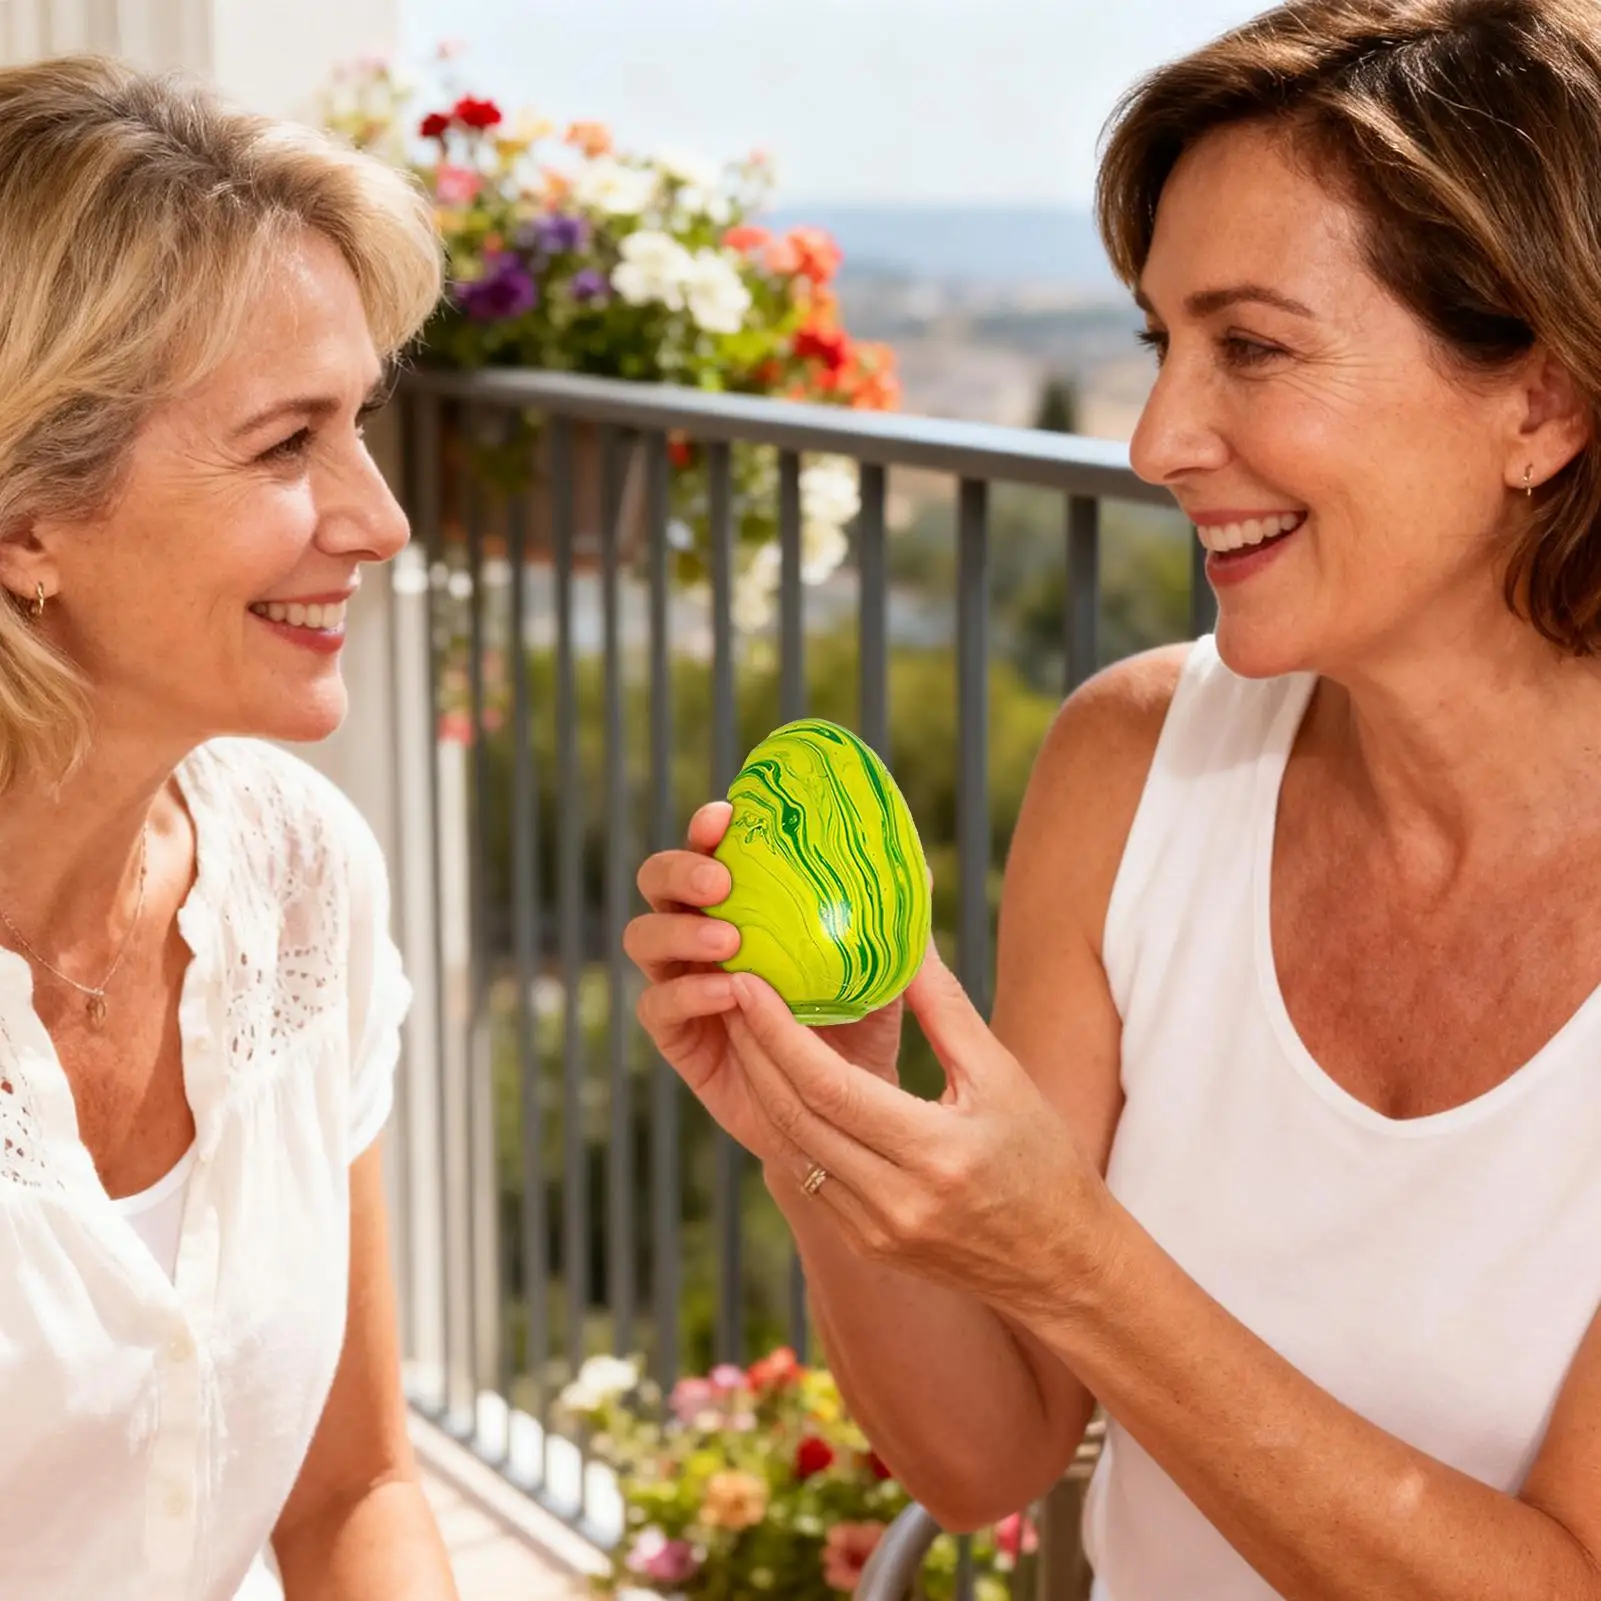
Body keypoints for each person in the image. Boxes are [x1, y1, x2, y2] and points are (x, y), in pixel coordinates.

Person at [626, 1, 1601, 1595]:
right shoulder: (1132, 768)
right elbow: (987, 1453)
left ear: (1543, 402)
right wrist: (823, 1118)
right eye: (1161, 346)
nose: (1155, 441)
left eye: (1253, 347)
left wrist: (1079, 1262)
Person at [0, 56, 454, 1600]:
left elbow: (352, 1492)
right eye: (285, 445)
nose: (381, 519)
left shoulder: (300, 875)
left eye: (360, 424)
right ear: (26, 521)